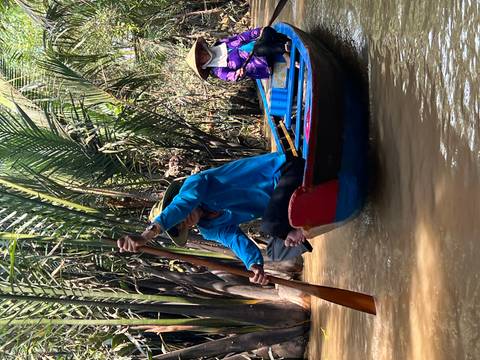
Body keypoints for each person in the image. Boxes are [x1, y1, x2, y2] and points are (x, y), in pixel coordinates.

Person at [117, 152, 311, 285]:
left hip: (284, 172)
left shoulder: (196, 185)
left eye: (178, 217)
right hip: (282, 204)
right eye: (180, 226)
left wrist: (146, 235)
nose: (183, 220)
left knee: (271, 226)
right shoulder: (210, 229)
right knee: (277, 250)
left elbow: (182, 204)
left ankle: (294, 228)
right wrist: (254, 266)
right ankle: (307, 227)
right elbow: (236, 241)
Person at [186, 26, 290, 82]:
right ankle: (284, 49)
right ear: (203, 65)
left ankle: (284, 49)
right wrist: (238, 74)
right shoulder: (219, 71)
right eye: (201, 59)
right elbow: (231, 77)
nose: (203, 56)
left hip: (260, 43)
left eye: (201, 53)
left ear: (203, 49)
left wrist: (257, 32)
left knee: (266, 30)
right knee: (258, 50)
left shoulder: (221, 43)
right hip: (262, 64)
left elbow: (241, 38)